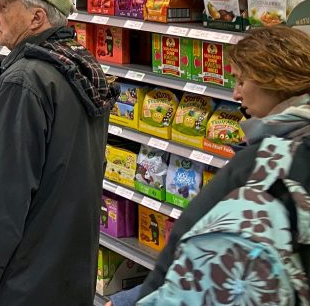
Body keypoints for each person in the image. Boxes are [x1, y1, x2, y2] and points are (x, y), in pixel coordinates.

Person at [0, 0, 118, 306]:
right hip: (65, 274)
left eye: (3, 6)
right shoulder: (83, 71)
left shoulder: (25, 83)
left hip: (20, 283)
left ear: (37, 17)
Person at [109, 26, 310, 306]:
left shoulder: (263, 162)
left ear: (273, 79)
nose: (236, 93)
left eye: (241, 81)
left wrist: (132, 300)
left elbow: (184, 243)